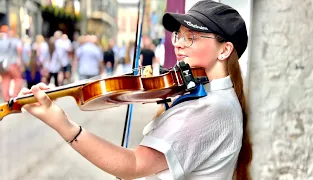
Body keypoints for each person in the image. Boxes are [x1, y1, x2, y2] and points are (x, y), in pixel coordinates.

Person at [18, 1, 252, 179]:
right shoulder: (214, 97)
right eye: (179, 35)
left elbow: (134, 165)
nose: (179, 43)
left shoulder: (210, 109)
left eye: (191, 37)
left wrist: (64, 125)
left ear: (224, 50)